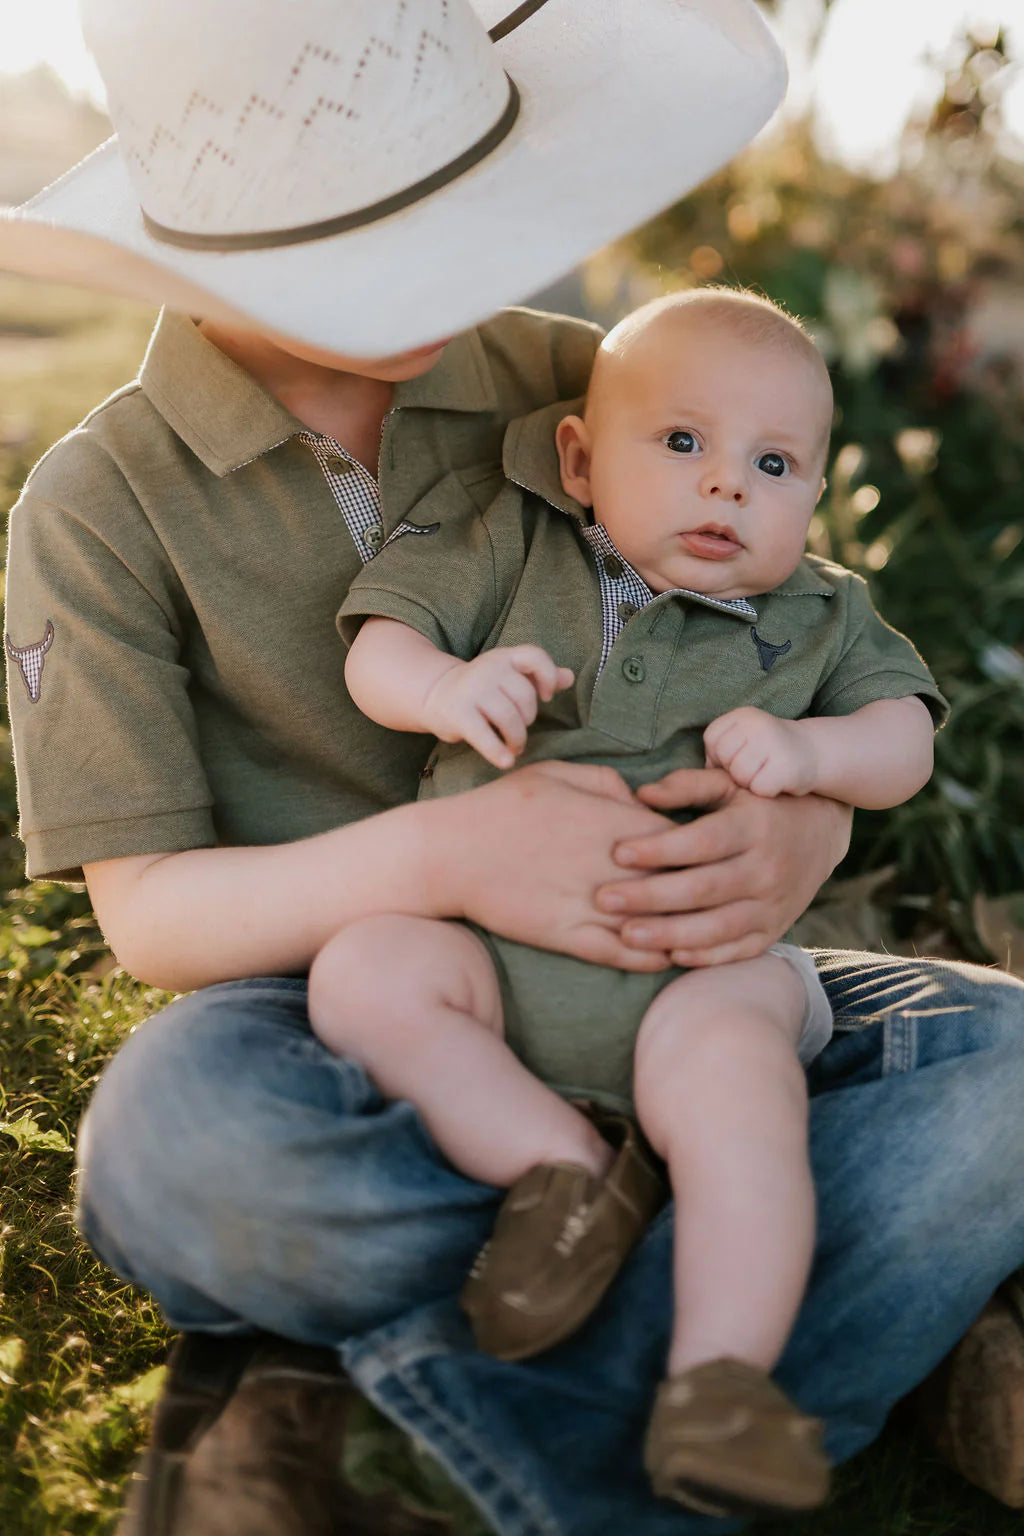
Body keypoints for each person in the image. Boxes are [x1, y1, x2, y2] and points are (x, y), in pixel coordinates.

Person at [3, 2, 1024, 1534]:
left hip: (675, 963)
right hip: (360, 998)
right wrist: (449, 860)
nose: (455, 273)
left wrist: (794, 827)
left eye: (462, 211)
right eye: (374, 239)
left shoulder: (575, 376)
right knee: (184, 1149)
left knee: (1007, 1070)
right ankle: (772, 1308)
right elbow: (152, 921)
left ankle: (393, 1401)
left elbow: (787, 626)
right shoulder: (98, 505)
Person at [309, 288, 944, 1517]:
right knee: (366, 970)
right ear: (581, 460)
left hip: (702, 973)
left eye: (773, 464)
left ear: (814, 494)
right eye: (683, 444)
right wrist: (447, 687)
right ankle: (561, 1176)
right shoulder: (510, 542)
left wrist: (814, 759)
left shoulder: (820, 611)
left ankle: (719, 1379)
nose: (726, 490)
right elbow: (375, 648)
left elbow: (904, 740)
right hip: (494, 963)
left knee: (735, 1088)